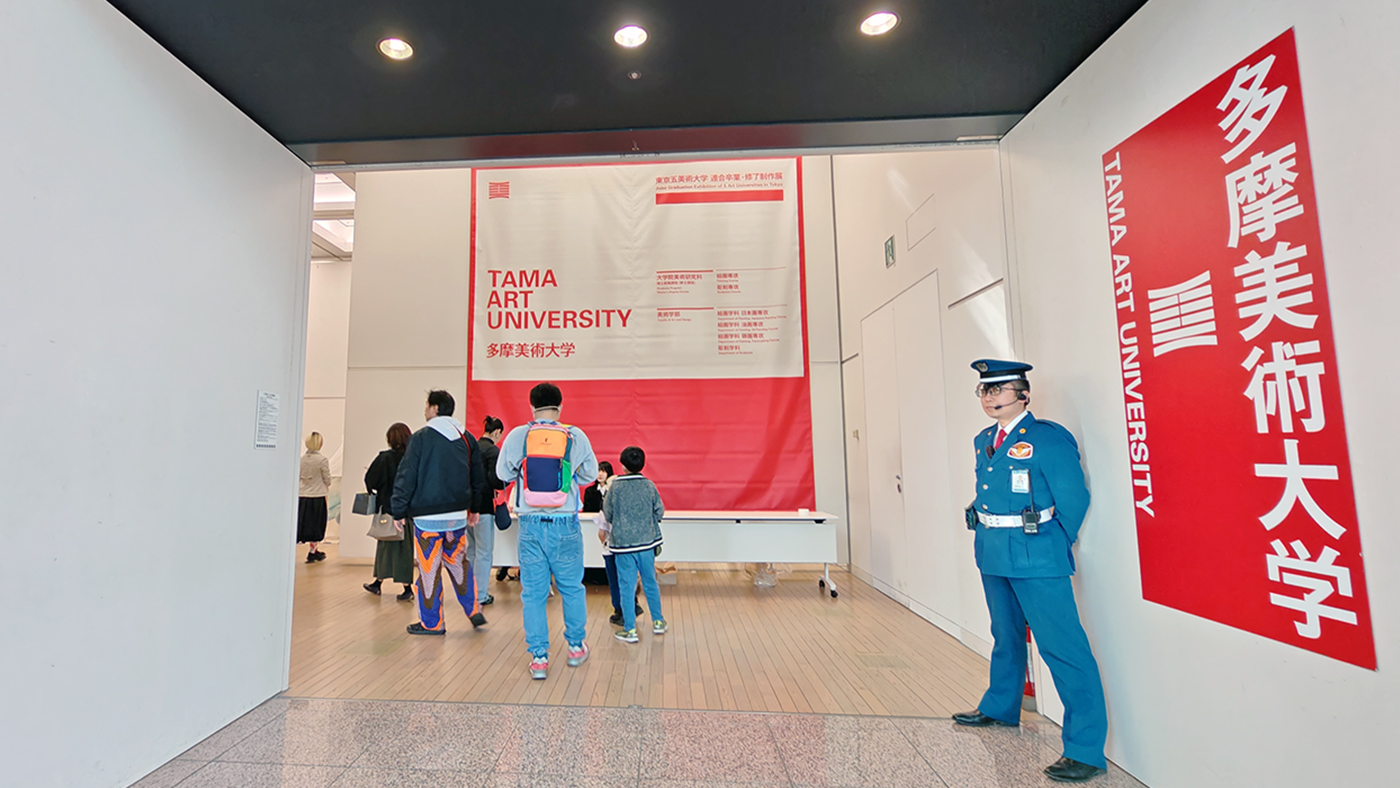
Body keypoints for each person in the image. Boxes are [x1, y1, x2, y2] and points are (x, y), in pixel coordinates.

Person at [952, 359, 1108, 783]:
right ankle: (1001, 706)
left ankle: (1085, 749)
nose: (989, 397)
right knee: (1005, 635)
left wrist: (1052, 544)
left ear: (1023, 394)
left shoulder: (1047, 438)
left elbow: (1073, 499)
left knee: (1063, 648)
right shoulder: (984, 440)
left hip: (1036, 557)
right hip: (993, 552)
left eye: (998, 389)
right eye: (984, 390)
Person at [496, 382, 598, 679]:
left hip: (530, 525)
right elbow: (590, 475)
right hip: (565, 523)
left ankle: (539, 658)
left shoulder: (519, 435)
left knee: (534, 593)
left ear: (532, 407)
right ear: (560, 406)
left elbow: (502, 474)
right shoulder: (575, 435)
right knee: (572, 588)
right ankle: (576, 647)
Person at [390, 390, 488, 635]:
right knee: (459, 564)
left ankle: (432, 623)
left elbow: (407, 474)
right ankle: (474, 609)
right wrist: (475, 508)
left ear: (434, 408)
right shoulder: (466, 438)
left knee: (429, 570)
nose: (425, 410)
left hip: (427, 519)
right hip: (457, 517)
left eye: (427, 405)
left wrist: (398, 510)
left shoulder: (421, 438)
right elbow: (478, 477)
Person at [602, 446, 667, 643]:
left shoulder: (616, 487)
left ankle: (630, 629)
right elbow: (660, 511)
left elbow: (608, 514)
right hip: (647, 543)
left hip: (623, 545)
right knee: (650, 582)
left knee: (626, 586)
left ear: (623, 466)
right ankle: (658, 621)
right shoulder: (649, 485)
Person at [362, 422, 415, 601]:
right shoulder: (412, 458)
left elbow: (370, 480)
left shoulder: (384, 458)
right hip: (407, 512)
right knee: (404, 550)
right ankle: (406, 588)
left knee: (384, 547)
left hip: (387, 509)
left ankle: (378, 583)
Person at [466, 415, 506, 606]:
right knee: (484, 552)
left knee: (472, 551)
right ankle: (481, 594)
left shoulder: (471, 447)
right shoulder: (492, 451)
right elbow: (495, 480)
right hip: (484, 508)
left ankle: (469, 592)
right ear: (497, 432)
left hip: (467, 507)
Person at [297, 432, 332, 563]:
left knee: (304, 524)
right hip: (317, 496)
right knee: (316, 525)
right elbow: (327, 479)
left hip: (303, 495)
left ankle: (312, 551)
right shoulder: (322, 460)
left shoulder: (301, 459)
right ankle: (313, 551)